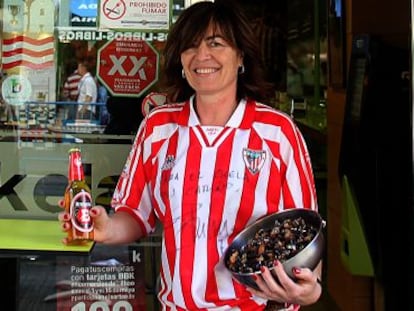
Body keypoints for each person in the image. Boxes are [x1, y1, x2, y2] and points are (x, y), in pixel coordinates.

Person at [59, 1, 322, 310]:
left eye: (216, 44)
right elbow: (135, 214)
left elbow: (306, 233)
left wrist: (311, 290)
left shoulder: (277, 133)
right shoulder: (159, 129)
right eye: (190, 46)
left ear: (241, 56)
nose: (202, 56)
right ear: (181, 61)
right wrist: (106, 228)